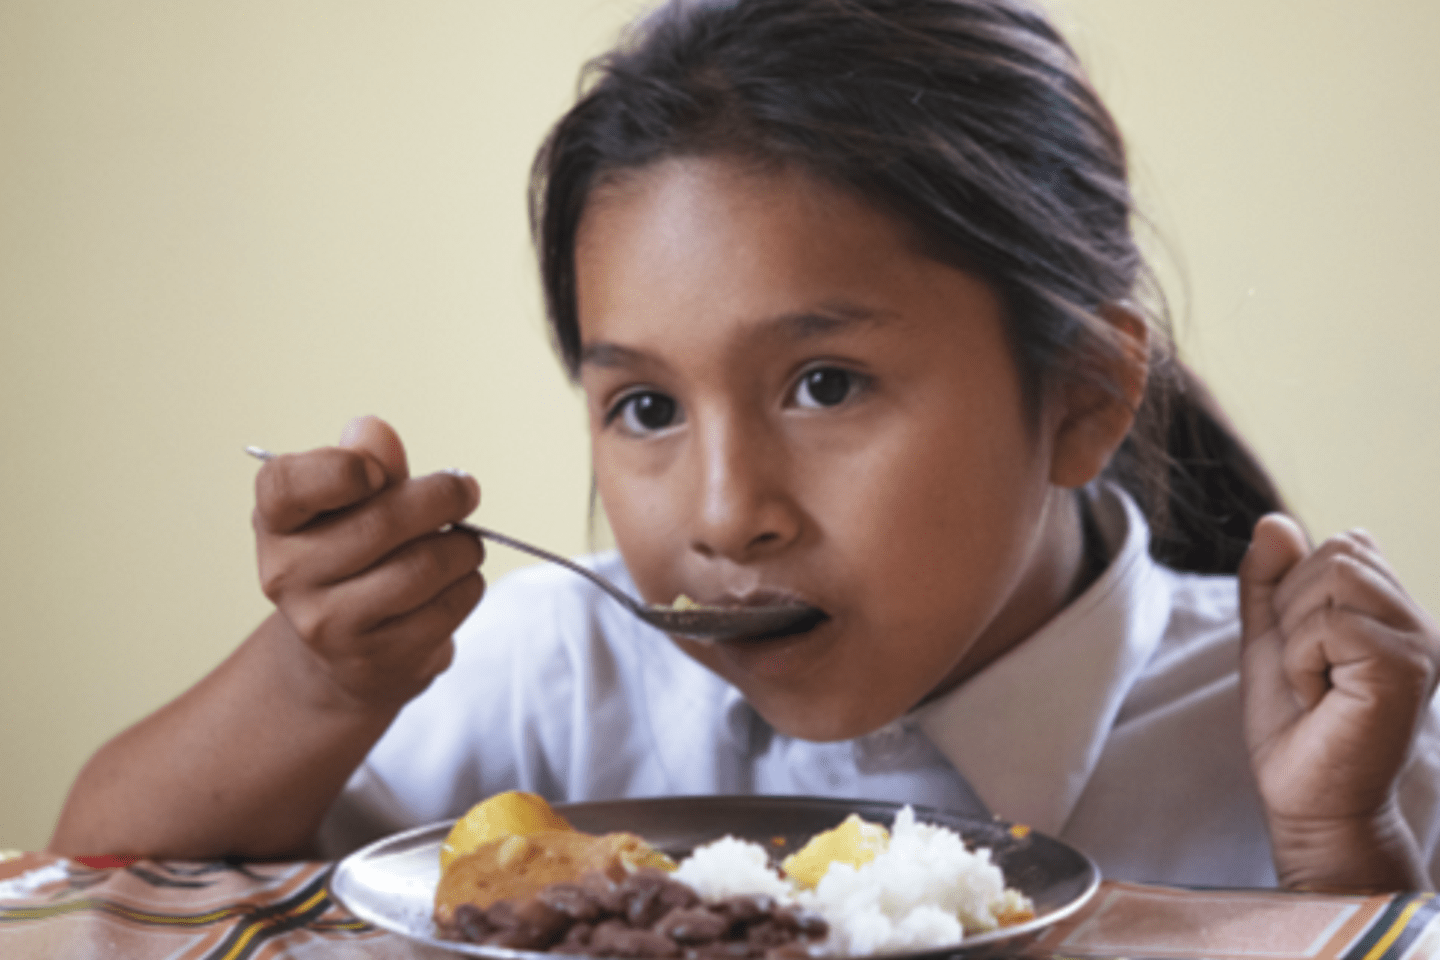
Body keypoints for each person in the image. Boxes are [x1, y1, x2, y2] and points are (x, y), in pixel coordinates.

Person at [50, 0, 1440, 893]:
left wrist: (1338, 859)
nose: (725, 515)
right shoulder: (557, 672)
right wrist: (314, 677)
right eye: (644, 408)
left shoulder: (1331, 749)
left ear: (1080, 392)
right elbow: (101, 878)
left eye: (825, 384)